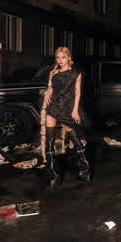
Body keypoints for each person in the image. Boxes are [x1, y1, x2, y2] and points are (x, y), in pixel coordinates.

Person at [42, 47, 92, 186]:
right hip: (53, 107)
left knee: (75, 138)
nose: (60, 60)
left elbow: (77, 92)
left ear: (69, 57)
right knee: (50, 141)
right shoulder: (54, 72)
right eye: (58, 57)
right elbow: (51, 88)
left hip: (66, 108)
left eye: (63, 57)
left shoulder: (76, 73)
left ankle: (85, 170)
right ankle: (53, 175)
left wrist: (75, 110)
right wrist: (46, 91)